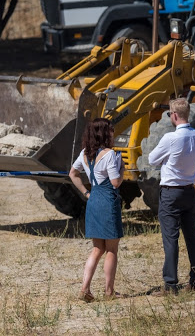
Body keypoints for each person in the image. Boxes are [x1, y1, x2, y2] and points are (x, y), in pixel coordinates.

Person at [148, 98, 195, 295]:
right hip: (189, 189)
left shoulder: (170, 138)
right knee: (192, 236)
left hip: (171, 192)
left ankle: (171, 284)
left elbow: (152, 159)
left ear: (174, 115)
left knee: (171, 239)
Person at [69, 118, 125, 302]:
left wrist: (86, 192)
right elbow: (115, 183)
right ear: (104, 133)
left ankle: (85, 288)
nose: (113, 134)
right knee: (111, 250)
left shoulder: (84, 153)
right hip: (108, 201)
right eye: (111, 130)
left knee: (97, 248)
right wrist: (122, 169)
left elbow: (73, 174)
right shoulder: (110, 154)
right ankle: (109, 291)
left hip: (93, 199)